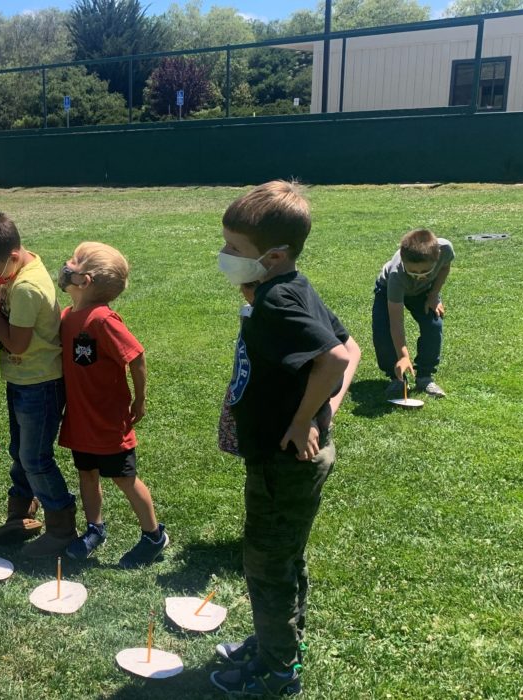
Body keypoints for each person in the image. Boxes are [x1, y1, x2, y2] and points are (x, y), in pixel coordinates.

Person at [209, 181, 359, 697]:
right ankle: (280, 642)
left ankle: (278, 670)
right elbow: (348, 345)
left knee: (266, 564)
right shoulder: (291, 286)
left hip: (283, 459)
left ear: (274, 256)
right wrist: (321, 412)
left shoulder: (278, 300)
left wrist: (303, 421)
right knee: (285, 557)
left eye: (235, 249)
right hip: (290, 455)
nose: (225, 256)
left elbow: (338, 358)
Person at [0, 209, 77, 558]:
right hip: (23, 379)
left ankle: (62, 527)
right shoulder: (22, 267)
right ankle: (22, 511)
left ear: (12, 256)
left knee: (35, 457)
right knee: (21, 451)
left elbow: (17, 344)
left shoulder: (26, 286)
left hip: (39, 384)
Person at [57, 242, 167, 568]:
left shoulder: (102, 321)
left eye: (74, 262)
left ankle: (153, 535)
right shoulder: (67, 317)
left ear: (84, 280)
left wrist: (140, 399)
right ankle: (95, 529)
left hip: (108, 420)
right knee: (86, 473)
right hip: (80, 418)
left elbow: (136, 355)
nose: (66, 264)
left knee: (123, 478)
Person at [372, 228, 453, 398]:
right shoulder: (396, 275)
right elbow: (396, 322)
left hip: (423, 293)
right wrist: (403, 356)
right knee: (382, 331)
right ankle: (397, 378)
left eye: (425, 272)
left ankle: (424, 377)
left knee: (433, 324)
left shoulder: (444, 249)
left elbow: (445, 267)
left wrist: (433, 296)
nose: (419, 276)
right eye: (414, 272)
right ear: (403, 260)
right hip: (388, 290)